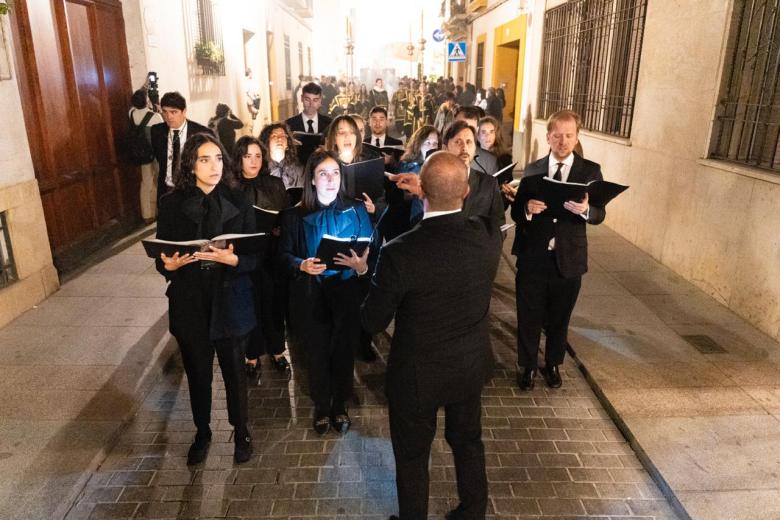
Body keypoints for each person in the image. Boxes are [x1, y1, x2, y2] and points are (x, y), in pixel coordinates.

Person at [361, 151, 502, 520]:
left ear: (419, 188)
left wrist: (365, 278)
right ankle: (473, 513)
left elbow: (373, 320)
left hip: (417, 375)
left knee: (412, 457)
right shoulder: (486, 239)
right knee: (469, 443)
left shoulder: (400, 252)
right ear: (467, 190)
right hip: (469, 367)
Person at [155, 132, 255, 465]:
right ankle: (202, 432)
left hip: (229, 299)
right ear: (190, 164)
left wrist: (236, 260)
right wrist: (167, 265)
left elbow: (255, 254)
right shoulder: (172, 203)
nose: (213, 166)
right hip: (191, 301)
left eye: (217, 159)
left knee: (234, 373)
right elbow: (162, 254)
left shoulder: (239, 200)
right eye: (204, 159)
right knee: (198, 374)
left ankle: (241, 431)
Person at [278, 149, 377, 435]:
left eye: (335, 173)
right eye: (323, 173)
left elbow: (371, 251)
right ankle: (322, 405)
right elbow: (282, 256)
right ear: (311, 179)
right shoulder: (293, 216)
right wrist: (302, 264)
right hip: (311, 293)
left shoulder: (356, 210)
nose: (331, 179)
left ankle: (340, 405)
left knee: (344, 352)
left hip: (346, 292)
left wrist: (360, 268)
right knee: (316, 352)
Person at [511, 110, 605, 391]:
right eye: (557, 135)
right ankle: (527, 366)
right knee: (528, 315)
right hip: (533, 257)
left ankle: (552, 363)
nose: (563, 141)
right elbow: (517, 210)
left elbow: (600, 214)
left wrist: (588, 210)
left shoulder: (590, 171)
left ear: (577, 137)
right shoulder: (533, 169)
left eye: (569, 135)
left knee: (559, 317)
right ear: (548, 136)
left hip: (569, 258)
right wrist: (526, 209)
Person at [233, 136, 291, 383]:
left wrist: (279, 228)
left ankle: (278, 350)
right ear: (239, 159)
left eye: (258, 156)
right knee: (250, 305)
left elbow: (286, 217)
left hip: (270, 254)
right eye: (247, 156)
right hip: (243, 256)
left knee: (273, 305)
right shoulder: (231, 187)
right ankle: (252, 354)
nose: (254, 161)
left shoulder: (274, 183)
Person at [151, 91, 212, 204]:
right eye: (165, 112)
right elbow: (160, 160)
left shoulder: (202, 133)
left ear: (184, 111)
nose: (169, 117)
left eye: (174, 112)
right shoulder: (157, 131)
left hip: (193, 191)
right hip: (167, 190)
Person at [443, 119, 505, 226]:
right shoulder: (435, 181)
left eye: (469, 142)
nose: (465, 148)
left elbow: (499, 225)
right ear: (445, 148)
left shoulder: (489, 184)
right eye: (458, 142)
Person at [129, 88, 163, 224]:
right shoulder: (154, 116)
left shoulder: (131, 113)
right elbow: (163, 131)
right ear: (146, 100)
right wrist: (158, 109)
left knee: (146, 182)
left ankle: (146, 215)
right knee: (159, 181)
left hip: (141, 153)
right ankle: (158, 210)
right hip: (155, 153)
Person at [478, 116, 515, 206]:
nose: (488, 136)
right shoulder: (471, 157)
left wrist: (507, 189)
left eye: (491, 132)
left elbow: (509, 182)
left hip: (496, 205)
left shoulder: (505, 159)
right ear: (477, 136)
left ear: (496, 135)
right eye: (483, 132)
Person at [259, 123, 304, 190]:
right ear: (267, 142)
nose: (279, 139)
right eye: (274, 136)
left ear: (287, 143)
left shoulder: (299, 170)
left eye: (283, 136)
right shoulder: (259, 170)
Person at [454, 106, 497, 176]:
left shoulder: (489, 162)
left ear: (477, 130)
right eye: (460, 127)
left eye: (471, 129)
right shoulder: (439, 159)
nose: (465, 133)